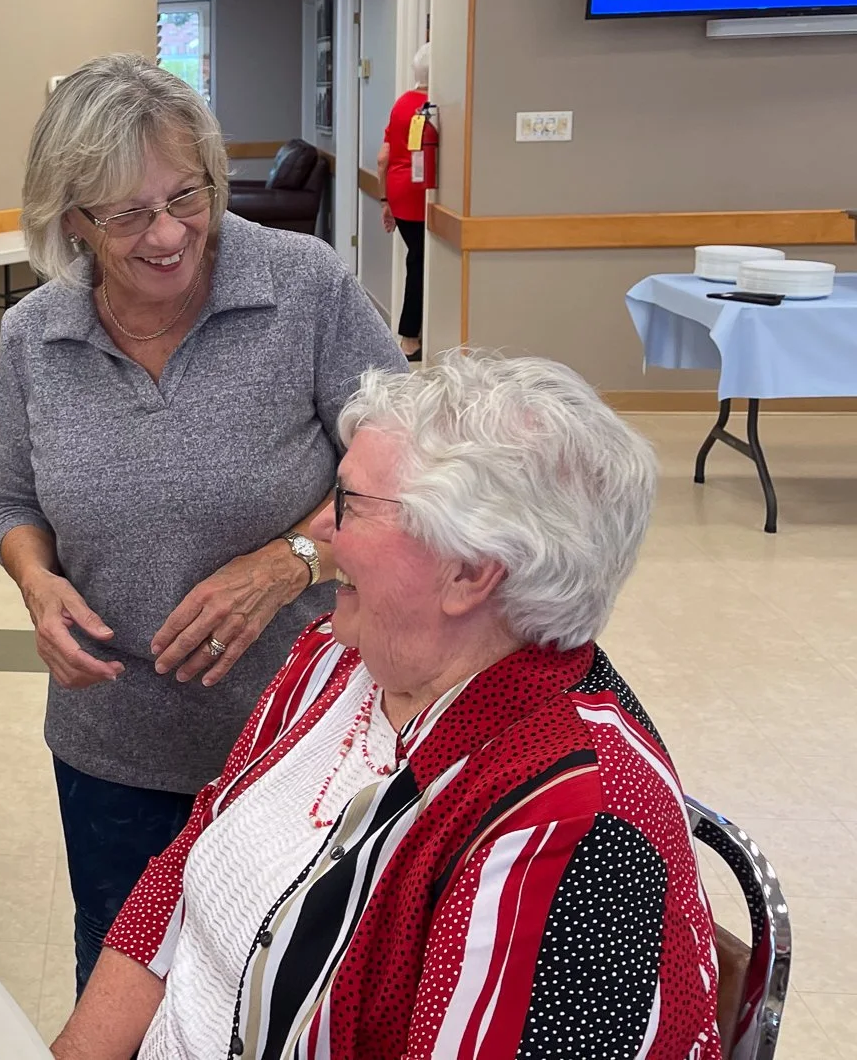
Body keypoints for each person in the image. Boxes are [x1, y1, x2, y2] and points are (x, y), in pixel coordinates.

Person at [50, 352, 721, 1060]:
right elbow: (187, 867)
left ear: (468, 571)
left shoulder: (574, 829)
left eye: (351, 507)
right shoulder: (342, 658)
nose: (324, 539)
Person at [0, 55, 404, 994]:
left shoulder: (302, 287)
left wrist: (291, 560)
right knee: (127, 994)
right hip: (113, 744)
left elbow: (410, 466)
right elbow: (13, 504)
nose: (170, 232)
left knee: (282, 1003)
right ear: (72, 219)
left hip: (300, 739)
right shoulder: (34, 336)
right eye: (129, 214)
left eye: (188, 195)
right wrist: (36, 582)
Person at [377, 43, 434, 361]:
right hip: (421, 192)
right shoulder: (434, 104)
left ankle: (411, 336)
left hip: (399, 191)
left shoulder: (402, 104)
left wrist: (386, 200)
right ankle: (410, 339)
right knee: (420, 263)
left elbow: (383, 157)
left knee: (417, 259)